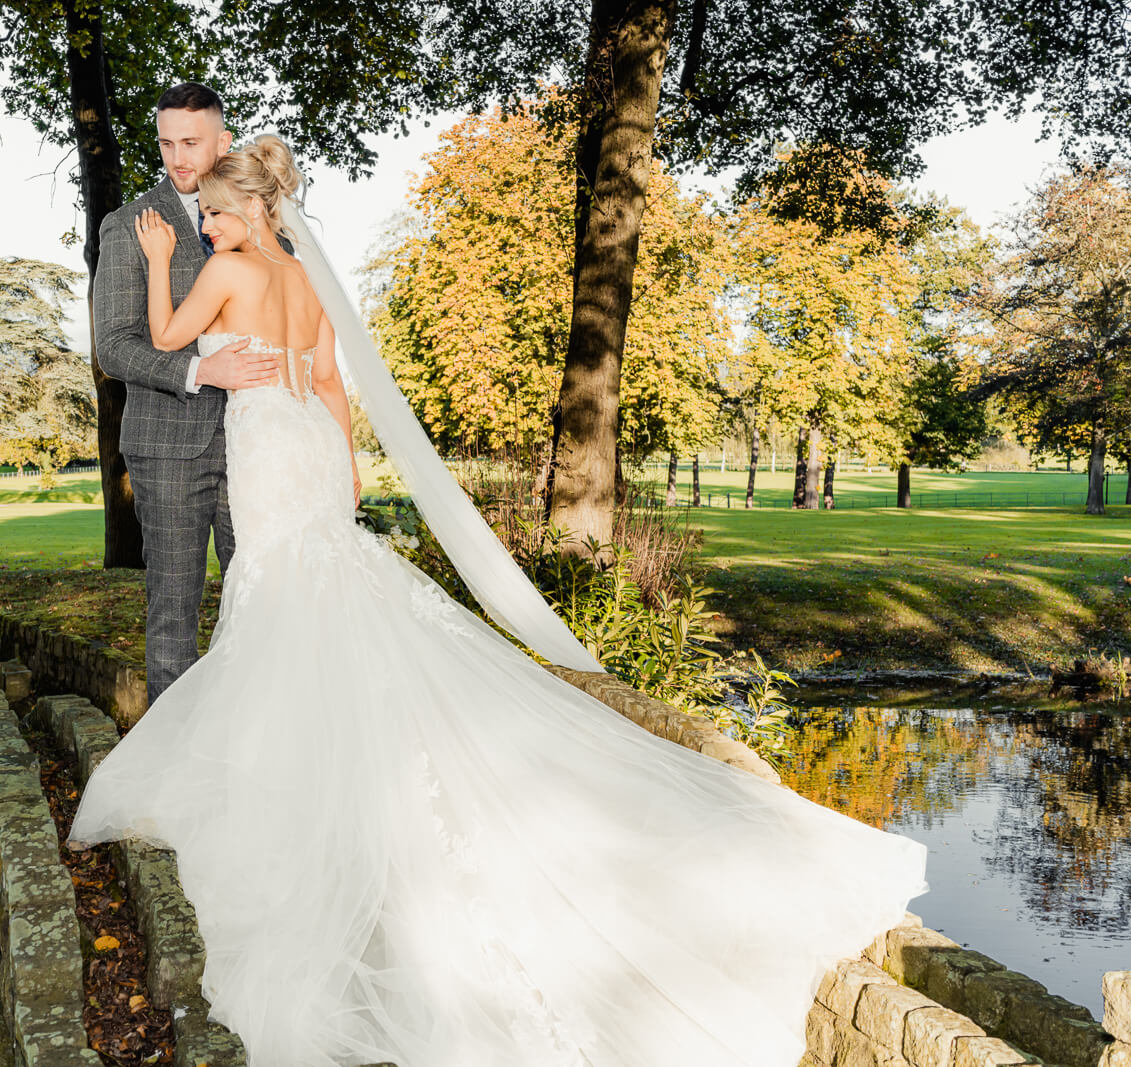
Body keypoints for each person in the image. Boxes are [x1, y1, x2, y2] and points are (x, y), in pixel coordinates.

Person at [69, 136, 928, 1067]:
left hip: (268, 458)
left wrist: (159, 266)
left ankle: (293, 795)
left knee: (277, 609)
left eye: (217, 216)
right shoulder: (307, 277)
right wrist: (343, 477)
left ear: (249, 212)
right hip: (309, 453)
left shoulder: (229, 270)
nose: (207, 226)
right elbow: (330, 388)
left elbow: (160, 340)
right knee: (327, 599)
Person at [92, 82, 279, 704]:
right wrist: (199, 373)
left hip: (258, 440)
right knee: (173, 612)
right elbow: (113, 346)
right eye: (167, 141)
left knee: (256, 603)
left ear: (222, 141)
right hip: (167, 447)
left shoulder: (260, 217)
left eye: (191, 142)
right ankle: (169, 780)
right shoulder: (128, 226)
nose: (178, 156)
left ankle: (249, 745)